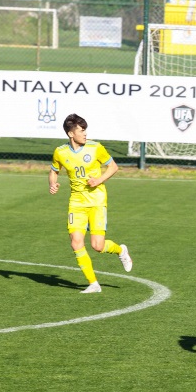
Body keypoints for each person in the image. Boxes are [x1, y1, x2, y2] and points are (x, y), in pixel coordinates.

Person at [48, 113, 132, 293]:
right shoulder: (60, 152)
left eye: (85, 130)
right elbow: (54, 170)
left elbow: (113, 167)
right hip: (76, 202)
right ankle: (93, 284)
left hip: (97, 200)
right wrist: (52, 183)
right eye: (81, 131)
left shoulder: (95, 148)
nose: (85, 134)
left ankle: (120, 251)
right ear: (71, 134)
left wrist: (99, 180)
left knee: (97, 246)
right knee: (76, 242)